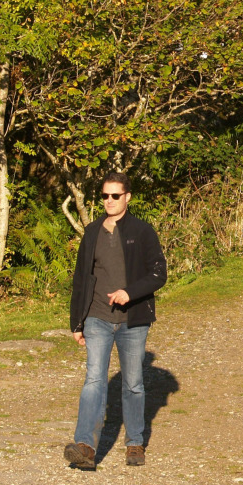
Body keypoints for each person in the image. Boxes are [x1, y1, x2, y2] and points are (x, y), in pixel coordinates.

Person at [64, 171, 167, 470]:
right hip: (97, 317)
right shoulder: (92, 231)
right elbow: (81, 279)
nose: (109, 201)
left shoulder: (143, 231)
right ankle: (85, 446)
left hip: (133, 321)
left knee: (133, 383)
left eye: (115, 196)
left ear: (127, 197)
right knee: (94, 379)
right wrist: (77, 323)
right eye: (105, 196)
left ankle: (135, 443)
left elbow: (159, 274)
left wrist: (129, 292)